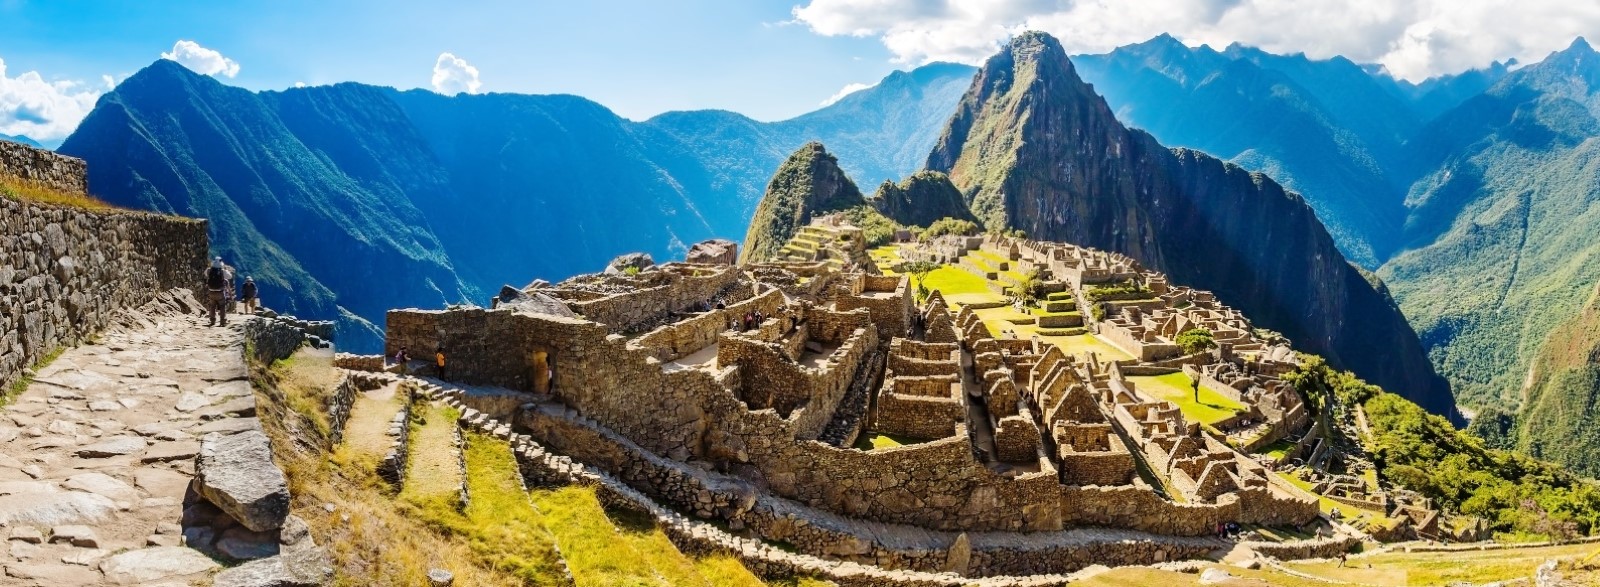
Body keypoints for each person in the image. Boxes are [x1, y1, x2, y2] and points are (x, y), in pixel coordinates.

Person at [204, 257, 228, 327]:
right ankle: (222, 321)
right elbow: (230, 276)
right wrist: (225, 270)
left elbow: (205, 274)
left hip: (211, 291)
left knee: (212, 306)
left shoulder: (209, 270)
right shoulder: (222, 271)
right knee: (222, 306)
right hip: (220, 292)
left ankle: (212, 320)